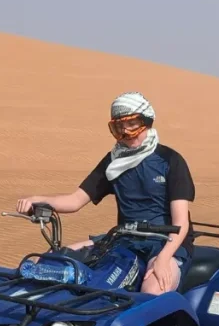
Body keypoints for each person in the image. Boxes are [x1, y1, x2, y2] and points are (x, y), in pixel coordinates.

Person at [16, 91, 195, 295]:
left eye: (132, 124)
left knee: (152, 291)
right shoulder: (113, 162)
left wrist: (163, 259)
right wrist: (38, 200)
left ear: (146, 121)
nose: (126, 132)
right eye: (119, 126)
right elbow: (75, 200)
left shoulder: (170, 160)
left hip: (166, 243)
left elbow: (180, 222)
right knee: (50, 260)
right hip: (125, 237)